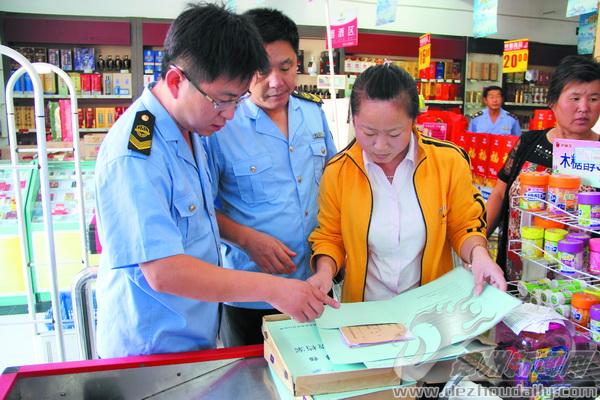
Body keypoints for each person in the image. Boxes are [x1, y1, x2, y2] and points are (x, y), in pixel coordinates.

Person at [94, 4, 337, 358]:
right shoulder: (137, 153)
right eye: (223, 101)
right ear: (177, 81)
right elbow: (164, 271)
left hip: (194, 336)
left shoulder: (190, 131)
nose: (231, 114)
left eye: (238, 100)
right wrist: (274, 289)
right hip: (149, 351)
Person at [308, 64, 506, 303]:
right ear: (353, 119)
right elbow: (330, 236)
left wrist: (479, 254)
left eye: (394, 134)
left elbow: (465, 225)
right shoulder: (338, 171)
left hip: (432, 310)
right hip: (364, 312)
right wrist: (325, 272)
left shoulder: (448, 161)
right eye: (368, 132)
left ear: (413, 121)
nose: (380, 146)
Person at [204, 8, 337, 347]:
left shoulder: (312, 114)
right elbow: (200, 210)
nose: (276, 81)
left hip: (313, 286)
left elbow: (334, 187)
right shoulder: (221, 125)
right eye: (261, 70)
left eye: (286, 67)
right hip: (249, 294)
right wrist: (246, 239)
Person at [486, 55, 600, 280]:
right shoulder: (529, 143)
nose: (584, 108)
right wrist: (477, 245)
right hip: (519, 268)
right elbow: (499, 194)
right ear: (552, 102)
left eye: (594, 99)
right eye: (575, 98)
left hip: (579, 280)